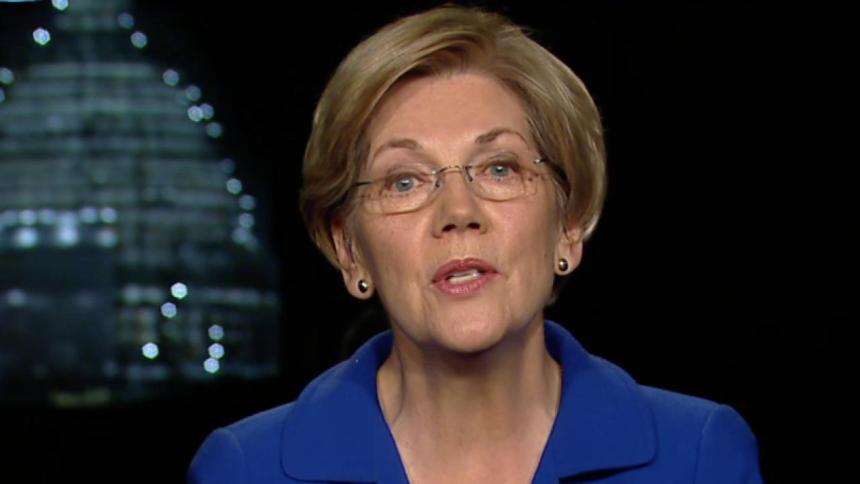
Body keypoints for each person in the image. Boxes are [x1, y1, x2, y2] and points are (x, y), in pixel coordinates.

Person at [188, 5, 763, 483]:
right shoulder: (245, 469)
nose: (458, 213)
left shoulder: (699, 456)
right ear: (349, 248)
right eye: (404, 182)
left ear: (569, 222)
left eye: (499, 168)